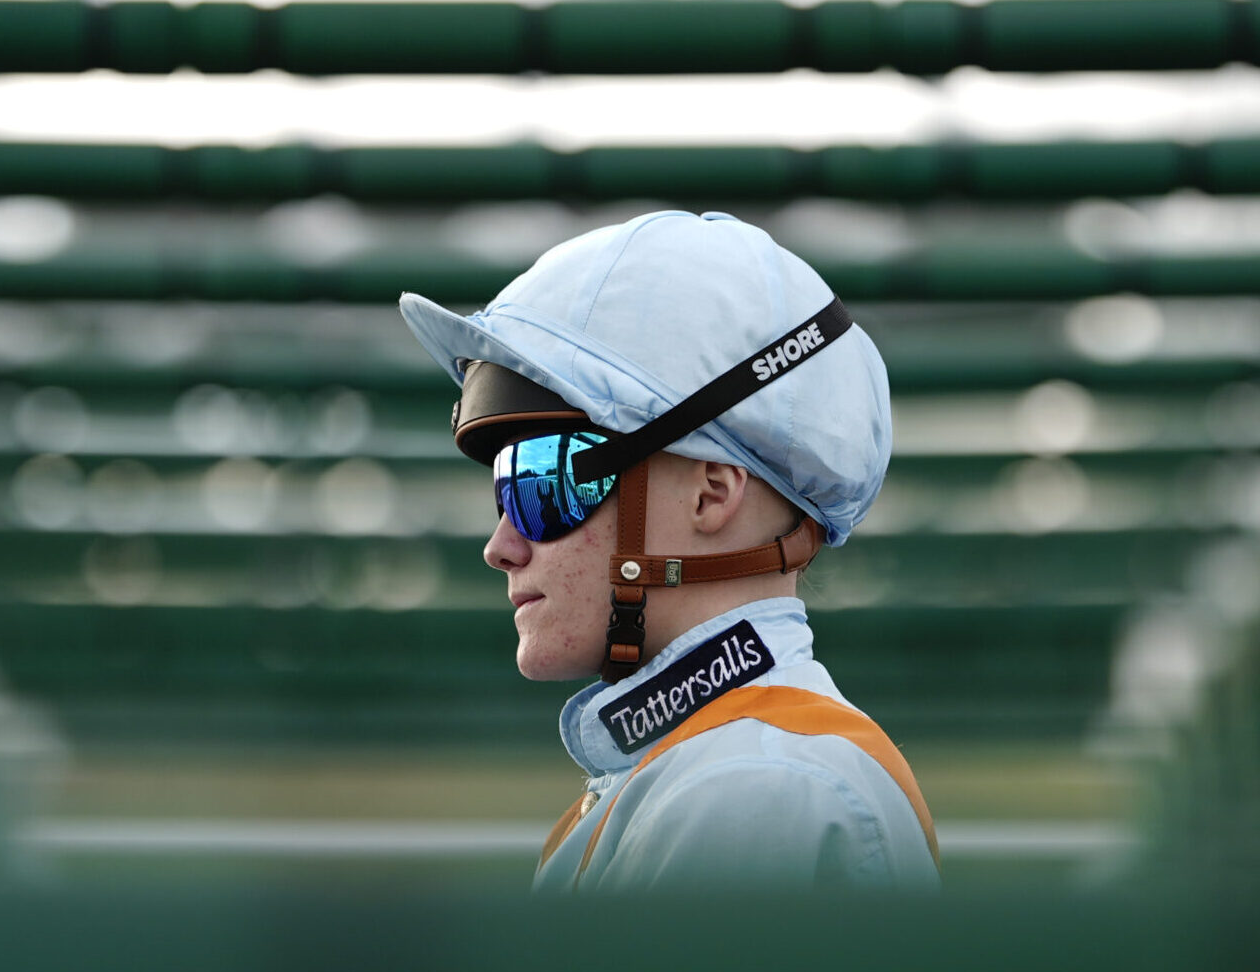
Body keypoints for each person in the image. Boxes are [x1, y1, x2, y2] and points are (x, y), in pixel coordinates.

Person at [398, 209, 939, 892]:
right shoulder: (700, 771)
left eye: (546, 482)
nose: (501, 546)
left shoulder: (754, 791)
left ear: (711, 494)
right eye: (506, 489)